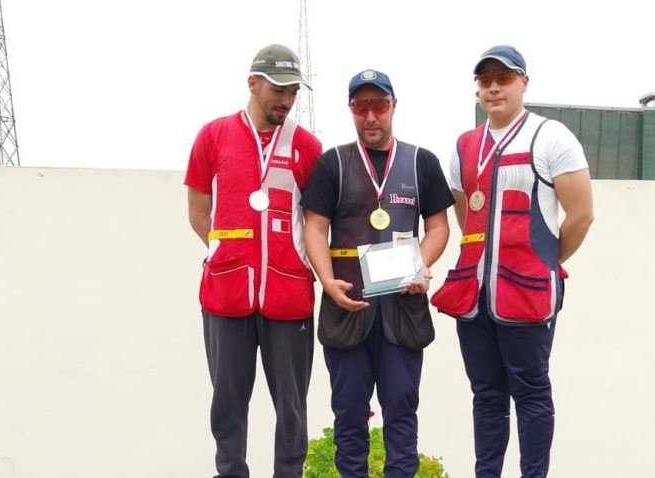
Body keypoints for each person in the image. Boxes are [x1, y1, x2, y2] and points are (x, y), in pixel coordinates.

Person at [430, 45, 594, 477]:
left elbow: (581, 215)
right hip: (475, 296)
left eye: (503, 79)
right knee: (486, 394)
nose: (494, 88)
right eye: (485, 81)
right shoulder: (464, 145)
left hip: (527, 293)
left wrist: (546, 260)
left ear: (524, 82)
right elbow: (466, 214)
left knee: (532, 392)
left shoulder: (551, 136)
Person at [301, 69, 454, 477]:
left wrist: (421, 264)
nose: (371, 117)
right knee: (349, 419)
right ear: (351, 109)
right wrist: (326, 280)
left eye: (379, 106)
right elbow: (314, 227)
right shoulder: (332, 163)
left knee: (402, 415)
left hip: (403, 311)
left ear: (393, 106)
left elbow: (439, 227)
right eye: (361, 107)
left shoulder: (423, 162)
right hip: (346, 307)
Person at [184, 44, 322, 478]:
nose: (285, 99)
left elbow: (317, 224)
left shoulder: (307, 146)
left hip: (288, 297)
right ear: (253, 84)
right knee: (227, 405)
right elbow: (198, 212)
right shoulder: (214, 136)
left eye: (293, 92)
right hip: (227, 295)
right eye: (278, 89)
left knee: (292, 409)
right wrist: (226, 253)